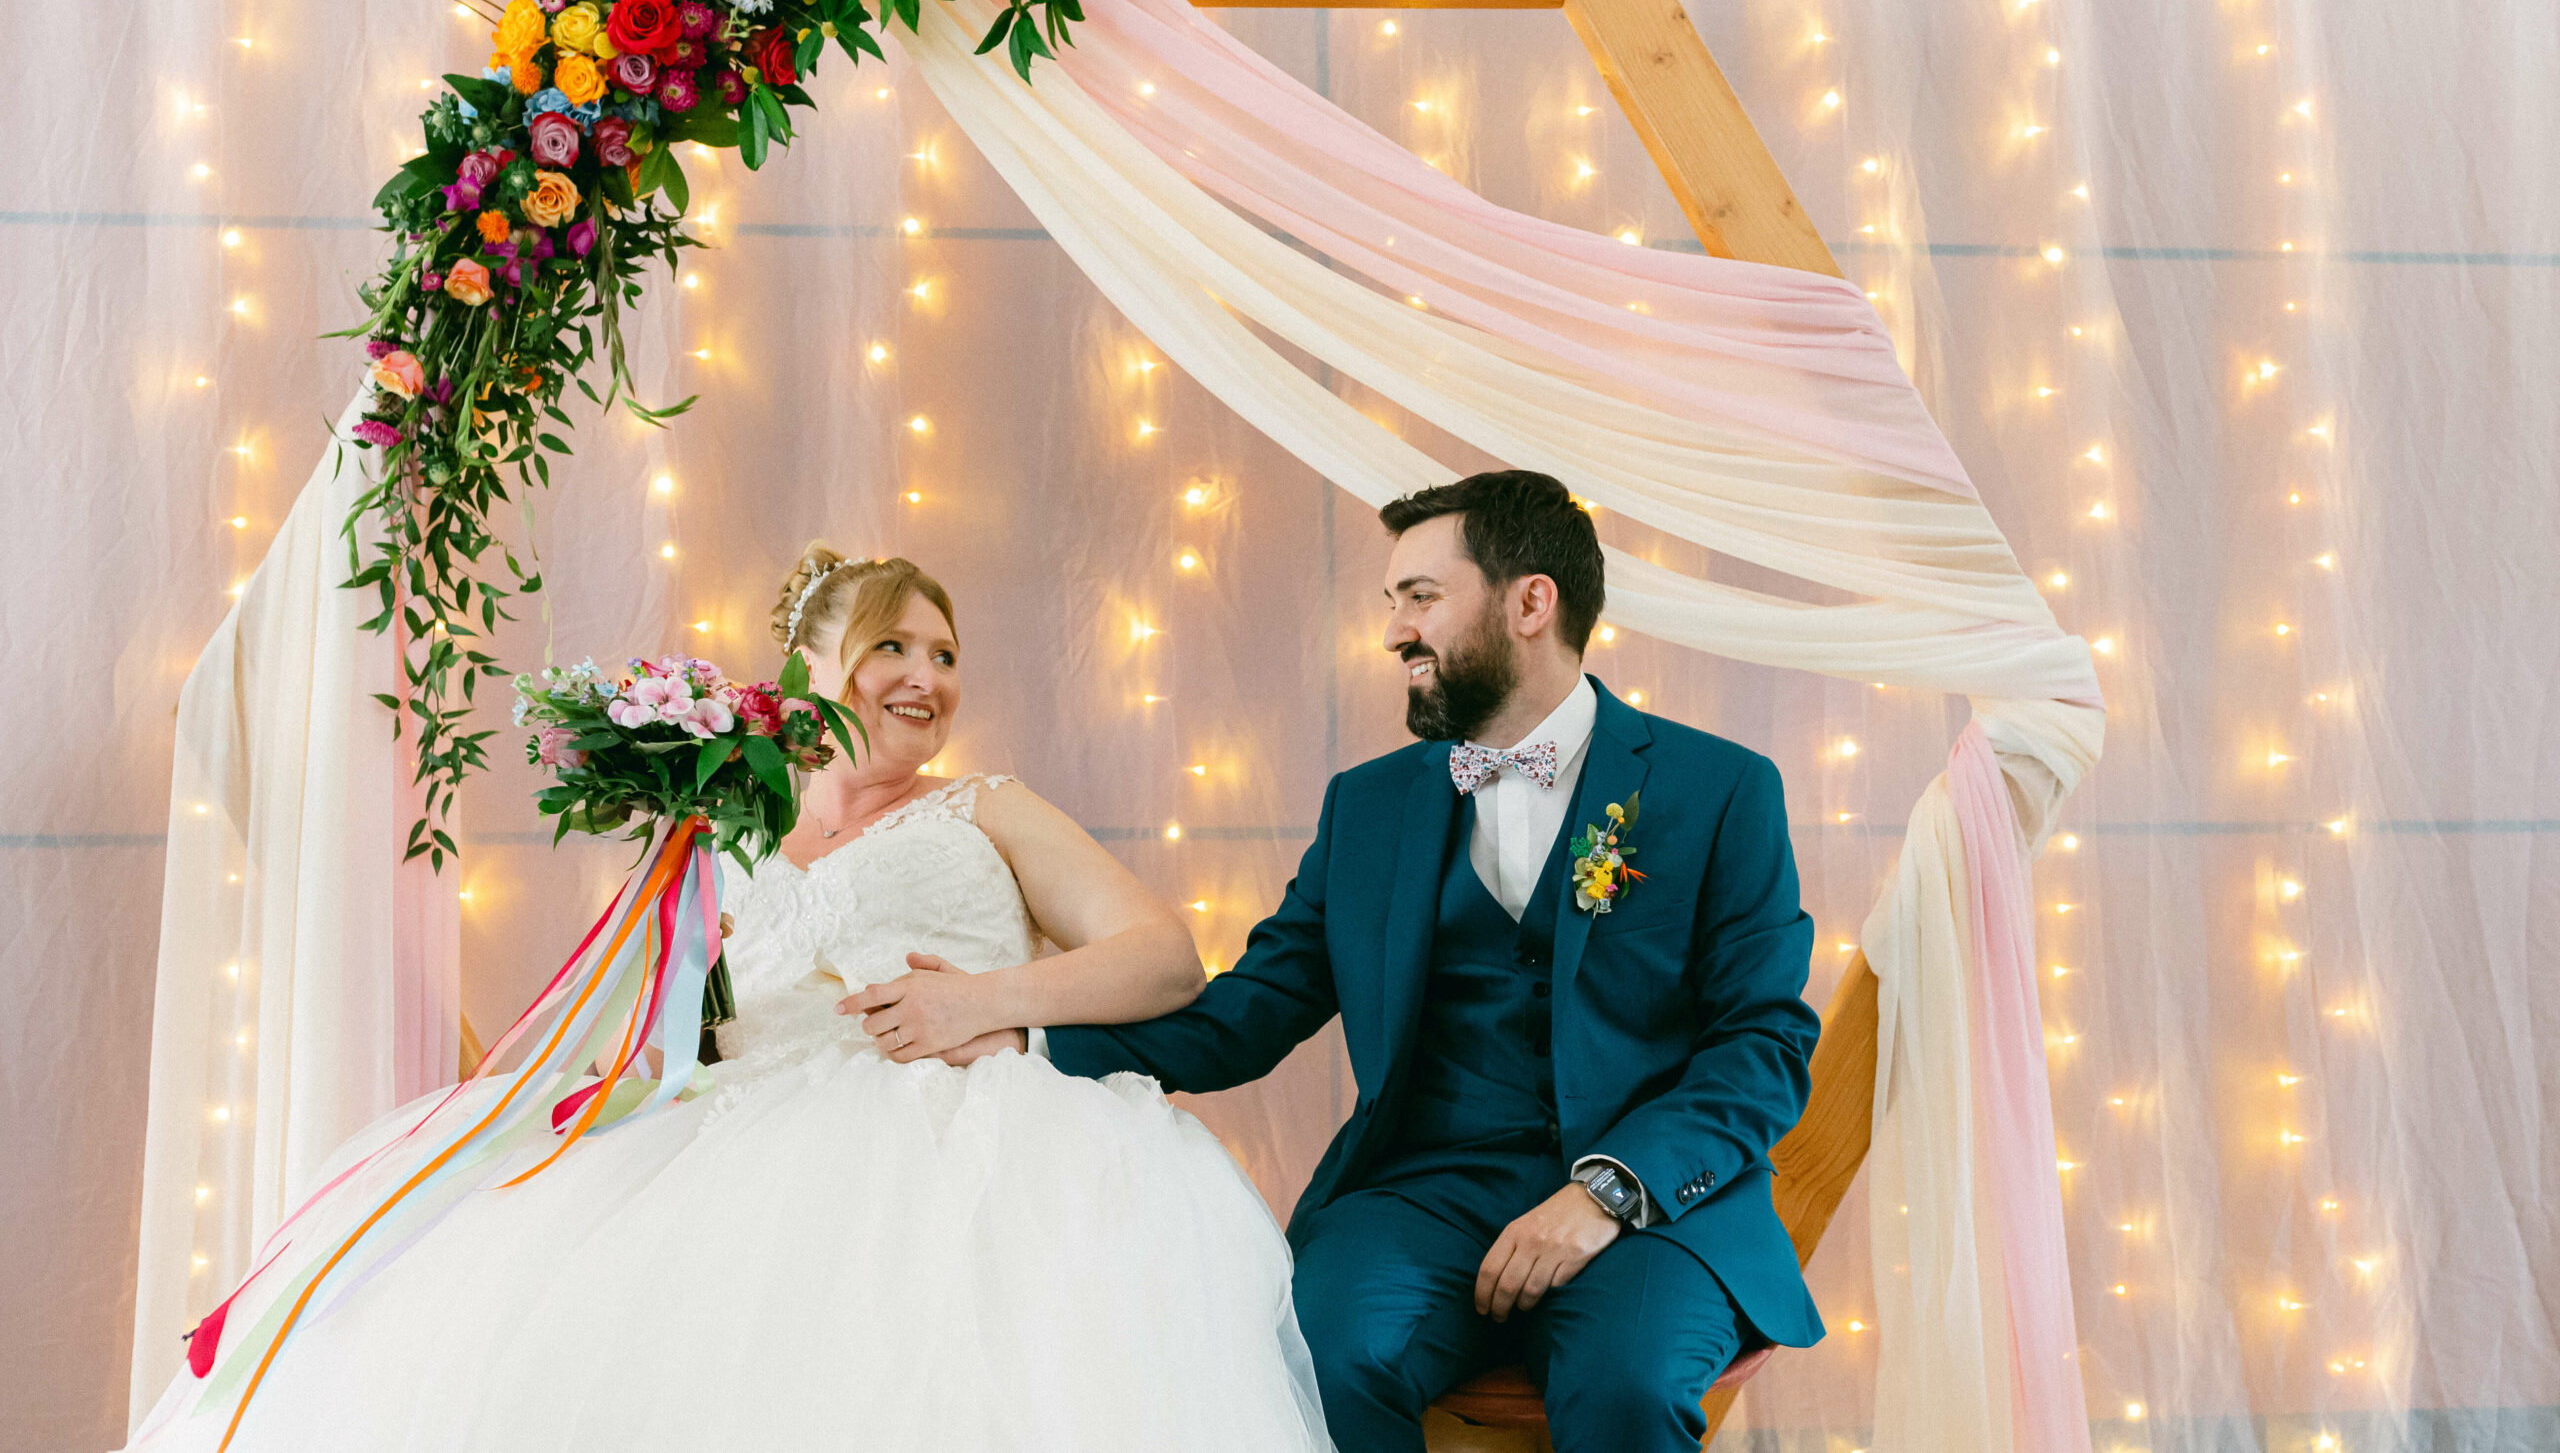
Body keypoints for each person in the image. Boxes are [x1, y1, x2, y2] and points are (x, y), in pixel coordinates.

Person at [122, 547, 1331, 1453]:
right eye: (894, 648)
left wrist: (988, 1004)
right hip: (752, 1141)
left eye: (946, 655)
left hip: (971, 1139)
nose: (927, 677)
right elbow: (675, 1022)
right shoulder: (723, 833)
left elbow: (1163, 959)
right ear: (812, 670)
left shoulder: (988, 806)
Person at [1034, 470, 1827, 1453]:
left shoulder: (1720, 788)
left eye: (1420, 597)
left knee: (1628, 1385)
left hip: (1650, 1210)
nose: (1393, 633)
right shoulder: (1366, 806)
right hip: (1423, 1193)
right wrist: (1025, 1036)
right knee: (1319, 1357)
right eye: (1390, 602)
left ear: (1530, 602)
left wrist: (1608, 1191)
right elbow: (1245, 1015)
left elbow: (1762, 1041)